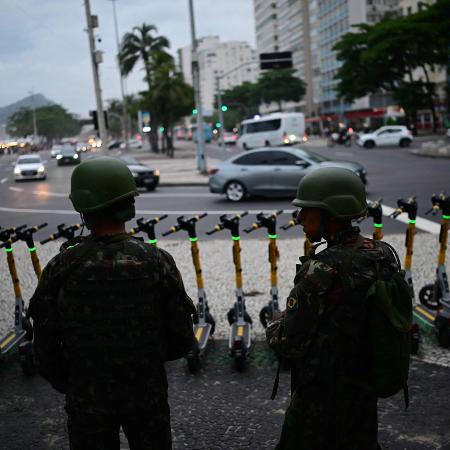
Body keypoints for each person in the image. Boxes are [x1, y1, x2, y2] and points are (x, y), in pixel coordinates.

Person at [29, 157, 195, 450]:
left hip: (87, 398)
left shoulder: (61, 267)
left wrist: (74, 384)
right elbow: (182, 339)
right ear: (129, 206)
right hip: (147, 395)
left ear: (83, 210)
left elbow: (45, 348)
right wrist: (145, 365)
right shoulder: (157, 261)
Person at [266, 167, 399, 450]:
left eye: (308, 210)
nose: (300, 218)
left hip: (321, 396)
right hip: (365, 387)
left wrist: (274, 324)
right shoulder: (383, 254)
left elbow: (290, 344)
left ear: (331, 214)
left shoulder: (321, 268)